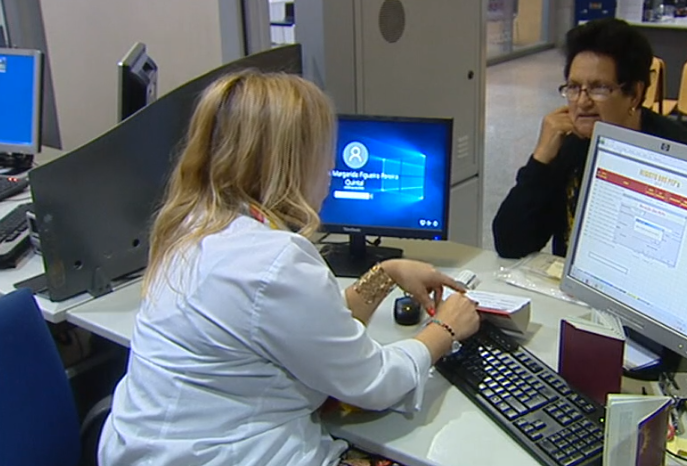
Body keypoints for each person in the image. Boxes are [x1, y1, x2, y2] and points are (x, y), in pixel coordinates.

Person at [98, 71, 481, 466]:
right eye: (324, 152)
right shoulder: (272, 259)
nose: (331, 168)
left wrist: (387, 272)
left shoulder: (193, 225)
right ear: (292, 161)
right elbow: (373, 383)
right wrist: (445, 329)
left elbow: (309, 326)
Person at [492, 19, 687, 260]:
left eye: (599, 88)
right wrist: (540, 162)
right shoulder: (570, 143)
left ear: (634, 94)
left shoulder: (675, 150)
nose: (582, 102)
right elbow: (510, 244)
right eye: (573, 87)